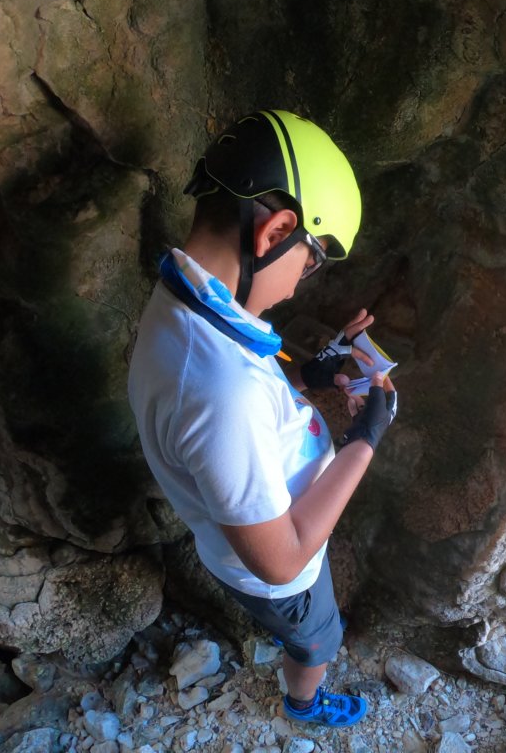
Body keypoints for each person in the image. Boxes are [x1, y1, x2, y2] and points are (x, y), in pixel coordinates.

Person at [127, 110, 397, 728]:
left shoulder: (184, 298)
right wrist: (365, 437)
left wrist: (313, 376)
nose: (300, 284)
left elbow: (245, 389)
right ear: (276, 231)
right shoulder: (221, 390)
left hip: (254, 525)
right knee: (318, 638)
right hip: (282, 578)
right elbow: (281, 560)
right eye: (311, 261)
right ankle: (304, 701)